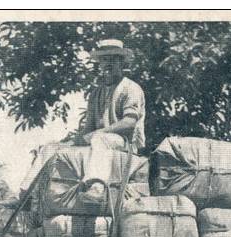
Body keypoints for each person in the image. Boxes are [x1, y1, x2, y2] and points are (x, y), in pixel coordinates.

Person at [17, 39, 146, 200]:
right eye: (104, 60)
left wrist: (97, 133)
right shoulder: (96, 93)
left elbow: (129, 123)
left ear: (121, 62)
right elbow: (88, 129)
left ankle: (96, 186)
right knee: (50, 148)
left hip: (125, 142)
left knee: (99, 138)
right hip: (101, 140)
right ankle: (25, 193)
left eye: (113, 59)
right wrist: (69, 143)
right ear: (99, 64)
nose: (107, 64)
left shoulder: (130, 88)